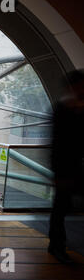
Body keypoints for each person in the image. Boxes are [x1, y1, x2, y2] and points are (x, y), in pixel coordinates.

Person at [48, 69, 84, 264]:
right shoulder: (66, 108)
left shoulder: (62, 107)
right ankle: (56, 246)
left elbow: (55, 141)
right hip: (68, 166)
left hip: (65, 166)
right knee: (61, 207)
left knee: (60, 208)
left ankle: (56, 245)